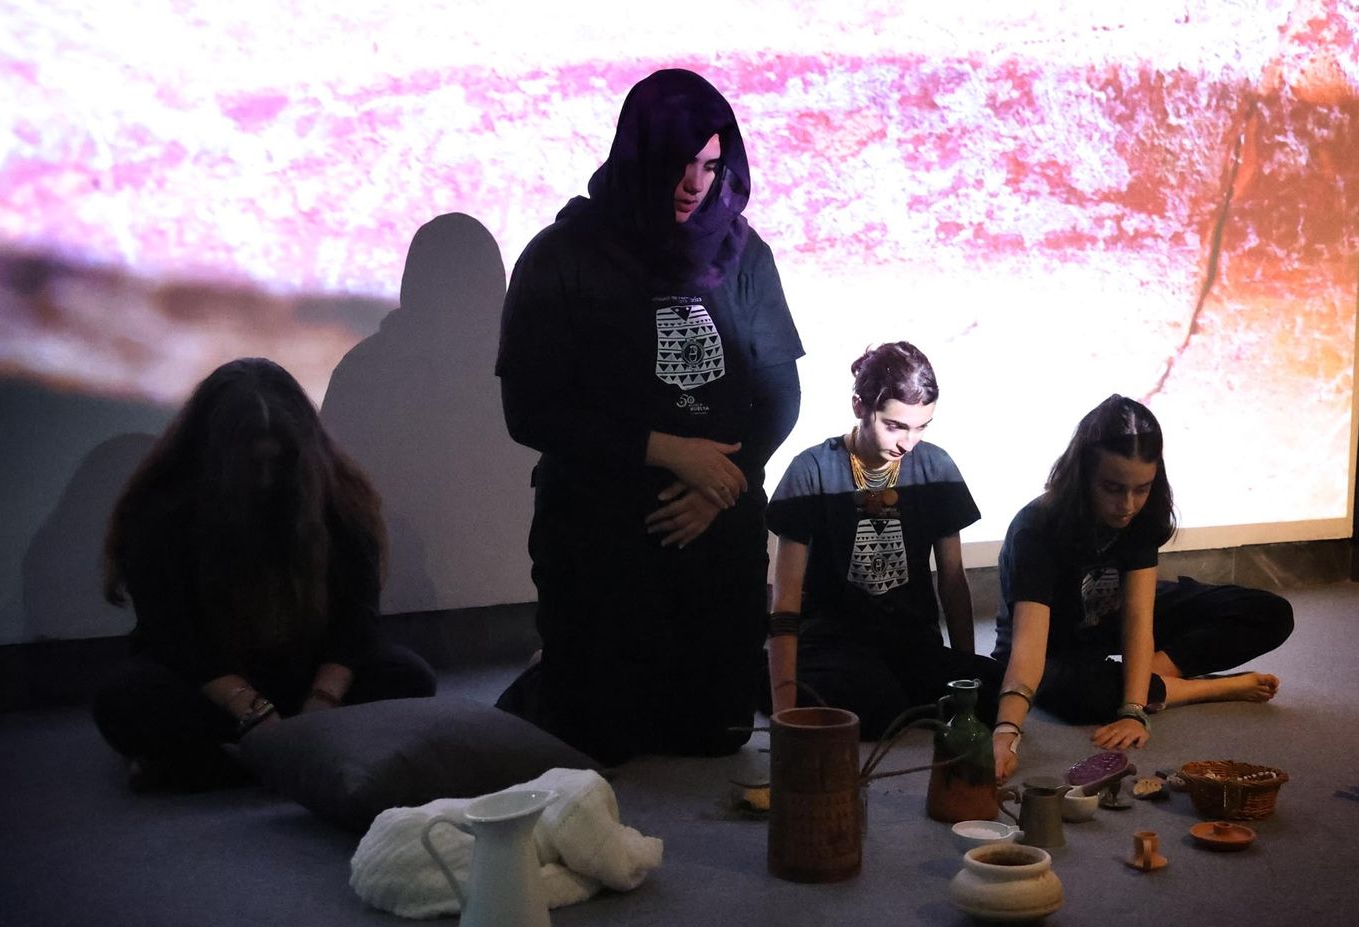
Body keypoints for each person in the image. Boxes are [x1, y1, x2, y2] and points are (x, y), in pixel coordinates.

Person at [496, 69, 804, 764]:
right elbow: (530, 411)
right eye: (678, 164)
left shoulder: (744, 254)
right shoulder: (562, 256)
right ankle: (555, 675)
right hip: (602, 522)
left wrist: (720, 481)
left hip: (715, 516)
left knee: (716, 736)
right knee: (601, 740)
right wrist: (667, 450)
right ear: (640, 159)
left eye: (711, 164)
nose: (696, 184)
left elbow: (780, 395)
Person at [93, 358, 437, 790]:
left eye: (278, 464)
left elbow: (357, 618)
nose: (266, 479)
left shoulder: (338, 498)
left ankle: (224, 765)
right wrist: (253, 710)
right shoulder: (162, 509)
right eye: (251, 466)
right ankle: (282, 757)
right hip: (209, 683)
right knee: (125, 701)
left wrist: (321, 701)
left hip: (306, 676)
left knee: (409, 678)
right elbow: (174, 636)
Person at [990, 395, 1294, 782]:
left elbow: (1137, 616)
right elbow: (1029, 648)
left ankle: (1146, 681)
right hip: (1053, 645)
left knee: (1270, 612)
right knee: (1079, 696)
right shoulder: (1037, 527)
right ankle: (1195, 690)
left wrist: (1133, 709)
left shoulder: (1142, 514)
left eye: (1142, 489)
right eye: (1113, 488)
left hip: (1110, 618)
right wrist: (1006, 733)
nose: (1127, 505)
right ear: (1083, 475)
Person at [765, 341, 1000, 738]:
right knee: (874, 704)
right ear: (859, 406)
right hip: (833, 641)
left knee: (998, 690)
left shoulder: (935, 465)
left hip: (911, 641)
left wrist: (965, 676)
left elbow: (954, 581)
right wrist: (783, 708)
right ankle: (774, 680)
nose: (908, 443)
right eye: (895, 426)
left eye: (921, 427)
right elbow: (786, 600)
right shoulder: (812, 470)